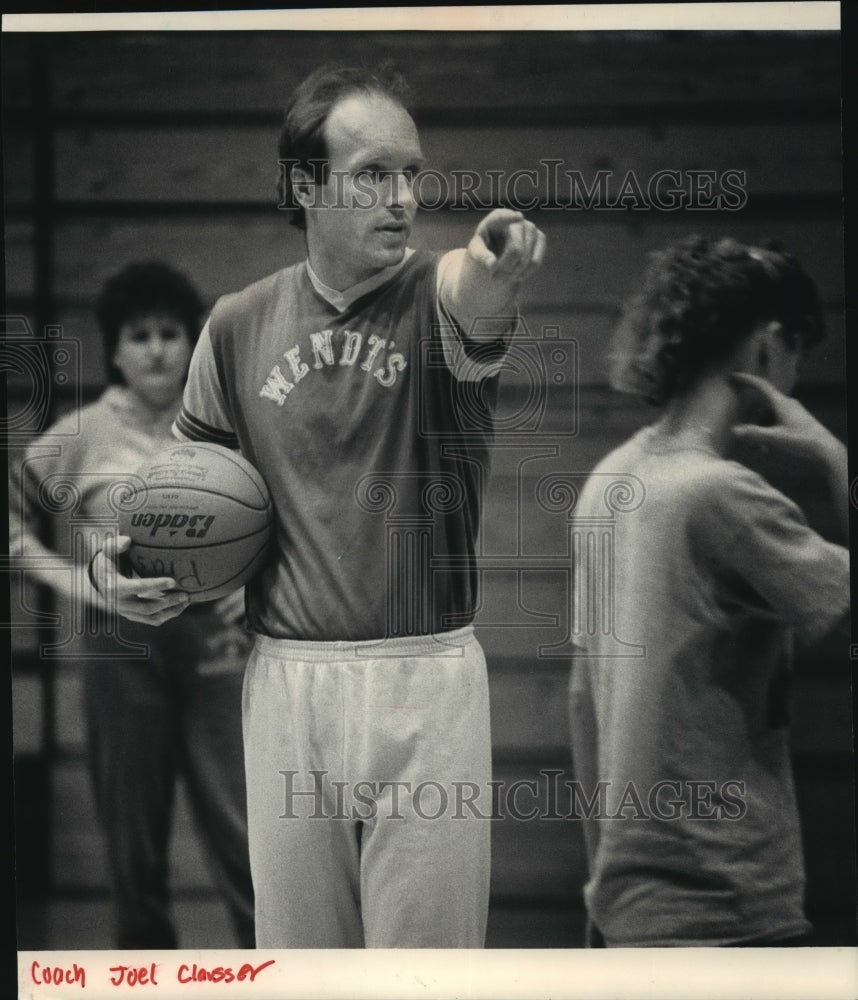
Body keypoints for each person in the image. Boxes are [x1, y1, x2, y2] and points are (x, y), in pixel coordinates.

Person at [91, 63, 546, 948]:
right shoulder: (234, 325)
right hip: (284, 684)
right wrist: (126, 564)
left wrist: (498, 262)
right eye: (374, 172)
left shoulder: (435, 297)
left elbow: (475, 284)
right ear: (305, 184)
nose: (403, 196)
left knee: (426, 974)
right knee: (299, 967)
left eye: (412, 173)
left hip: (425, 680)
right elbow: (177, 505)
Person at [568, 236, 850, 947]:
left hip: (627, 907)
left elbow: (582, 699)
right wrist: (835, 459)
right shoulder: (720, 495)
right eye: (796, 351)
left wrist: (604, 879)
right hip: (727, 907)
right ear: (767, 346)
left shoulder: (610, 480)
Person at [10, 261, 255, 949]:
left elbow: (290, 525)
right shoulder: (80, 433)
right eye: (139, 335)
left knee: (243, 833)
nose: (155, 348)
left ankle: (272, 976)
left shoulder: (226, 429)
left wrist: (255, 591)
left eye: (170, 334)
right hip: (119, 652)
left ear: (191, 343)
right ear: (115, 349)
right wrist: (74, 583)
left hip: (215, 648)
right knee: (133, 844)